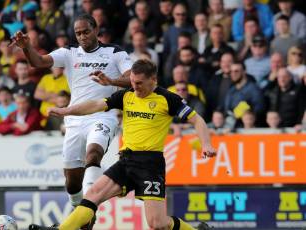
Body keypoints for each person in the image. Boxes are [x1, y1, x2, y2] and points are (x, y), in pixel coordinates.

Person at [30, 59, 216, 230]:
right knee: (92, 195)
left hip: (150, 165)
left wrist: (206, 144)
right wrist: (67, 110)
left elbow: (197, 120)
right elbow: (95, 105)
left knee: (157, 223)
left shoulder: (168, 99)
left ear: (153, 79)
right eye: (133, 82)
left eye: (140, 83)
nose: (135, 87)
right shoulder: (127, 95)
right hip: (126, 160)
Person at [11, 14, 132, 211]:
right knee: (72, 183)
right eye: (78, 33)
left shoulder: (114, 52)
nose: (82, 36)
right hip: (75, 119)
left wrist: (111, 81)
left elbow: (132, 79)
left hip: (103, 115)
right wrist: (26, 47)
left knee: (93, 155)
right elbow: (39, 62)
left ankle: (88, 208)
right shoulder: (69, 52)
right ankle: (79, 209)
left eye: (86, 32)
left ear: (95, 30)